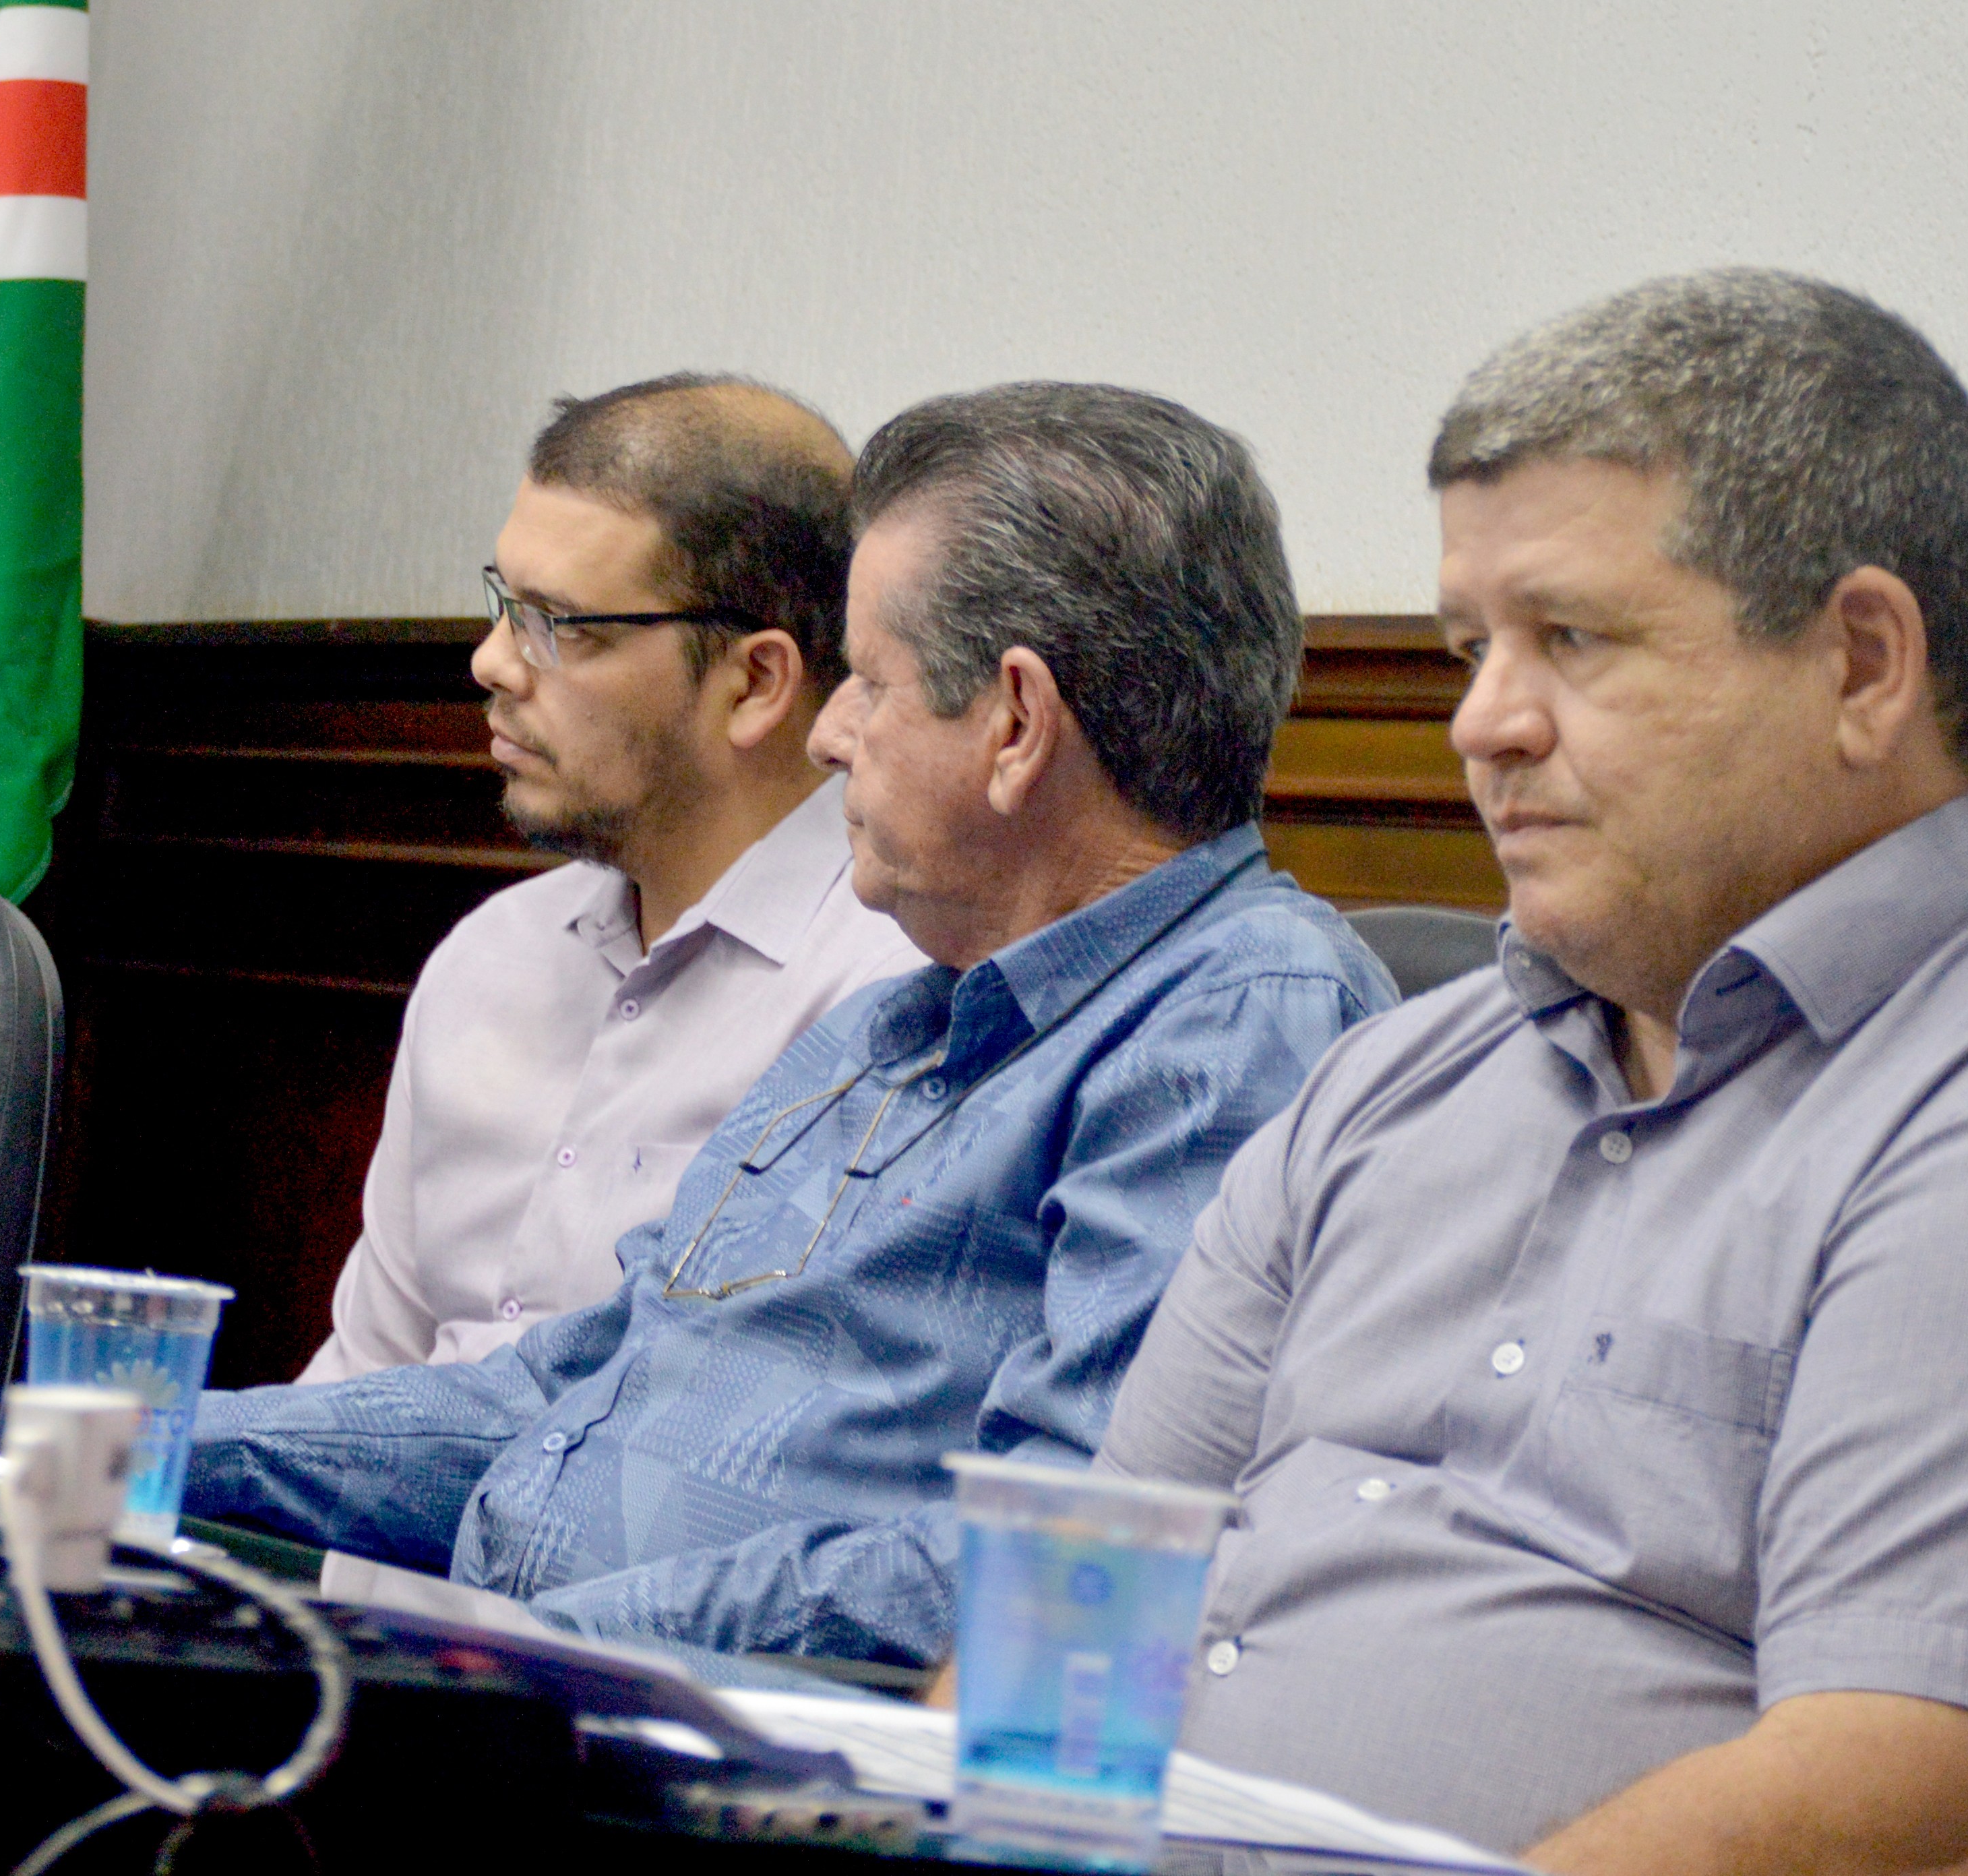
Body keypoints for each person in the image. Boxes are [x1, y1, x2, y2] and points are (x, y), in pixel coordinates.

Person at [1101, 271, 1968, 1871]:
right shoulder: (1386, 1078)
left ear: (1861, 663)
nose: (1477, 723)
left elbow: (1917, 1824)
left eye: (1569, 638)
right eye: (1464, 645)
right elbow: (1092, 1586)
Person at [183, 383, 1392, 1663]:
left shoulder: (1236, 1023)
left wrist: (541, 1645)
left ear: (1016, 725)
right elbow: (556, 1393)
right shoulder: (888, 1027)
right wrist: (128, 1438)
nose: (827, 735)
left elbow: (1069, 1550)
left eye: (870, 683)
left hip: (739, 1758)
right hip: (539, 1694)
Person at [302, 375, 914, 1384]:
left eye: (561, 625)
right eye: (504, 604)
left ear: (755, 683)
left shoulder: (884, 991)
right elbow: (364, 1373)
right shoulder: (490, 956)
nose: (492, 663)